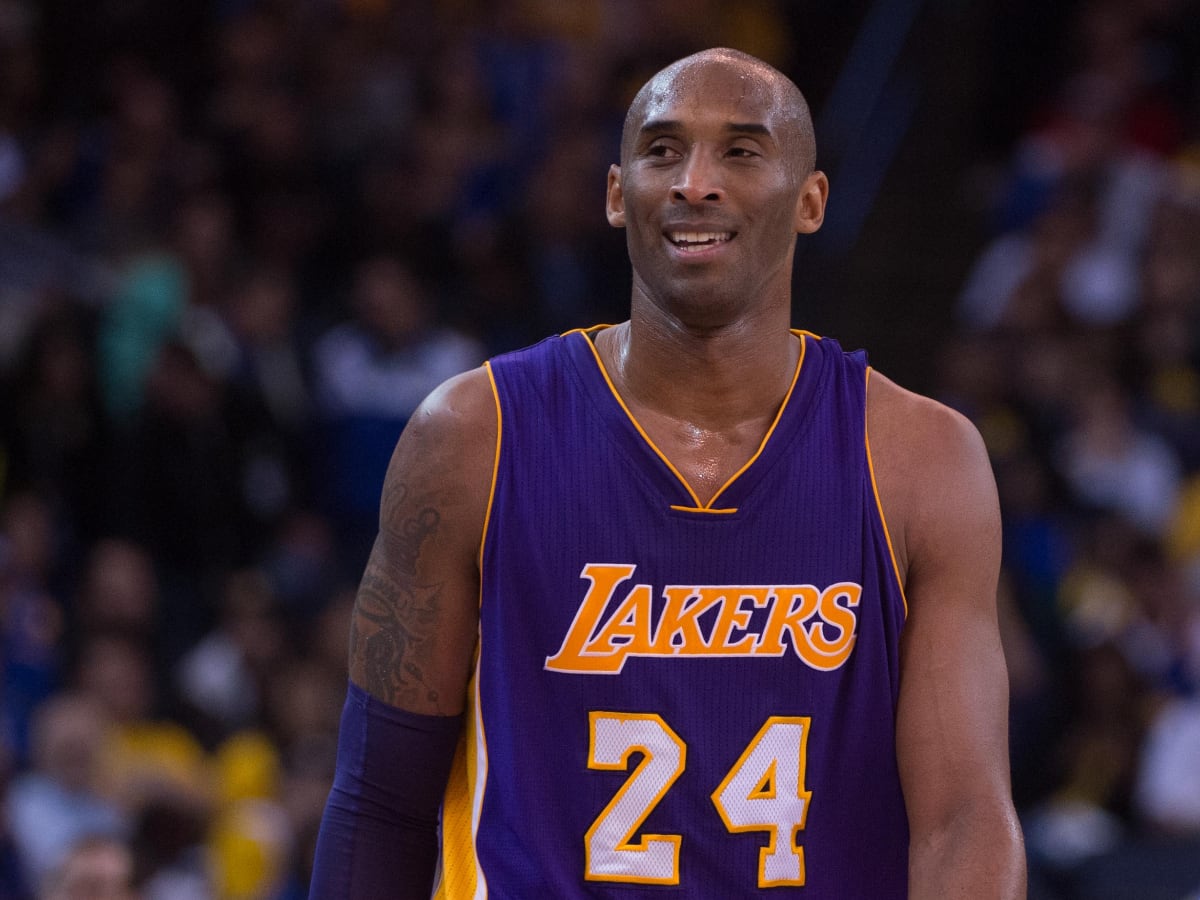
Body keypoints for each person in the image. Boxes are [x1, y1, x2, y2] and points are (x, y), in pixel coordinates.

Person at [311, 47, 1026, 898]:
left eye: (741, 150)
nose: (694, 181)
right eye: (661, 150)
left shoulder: (921, 461)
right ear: (617, 194)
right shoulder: (470, 436)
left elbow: (965, 820)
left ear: (811, 202)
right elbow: (381, 800)